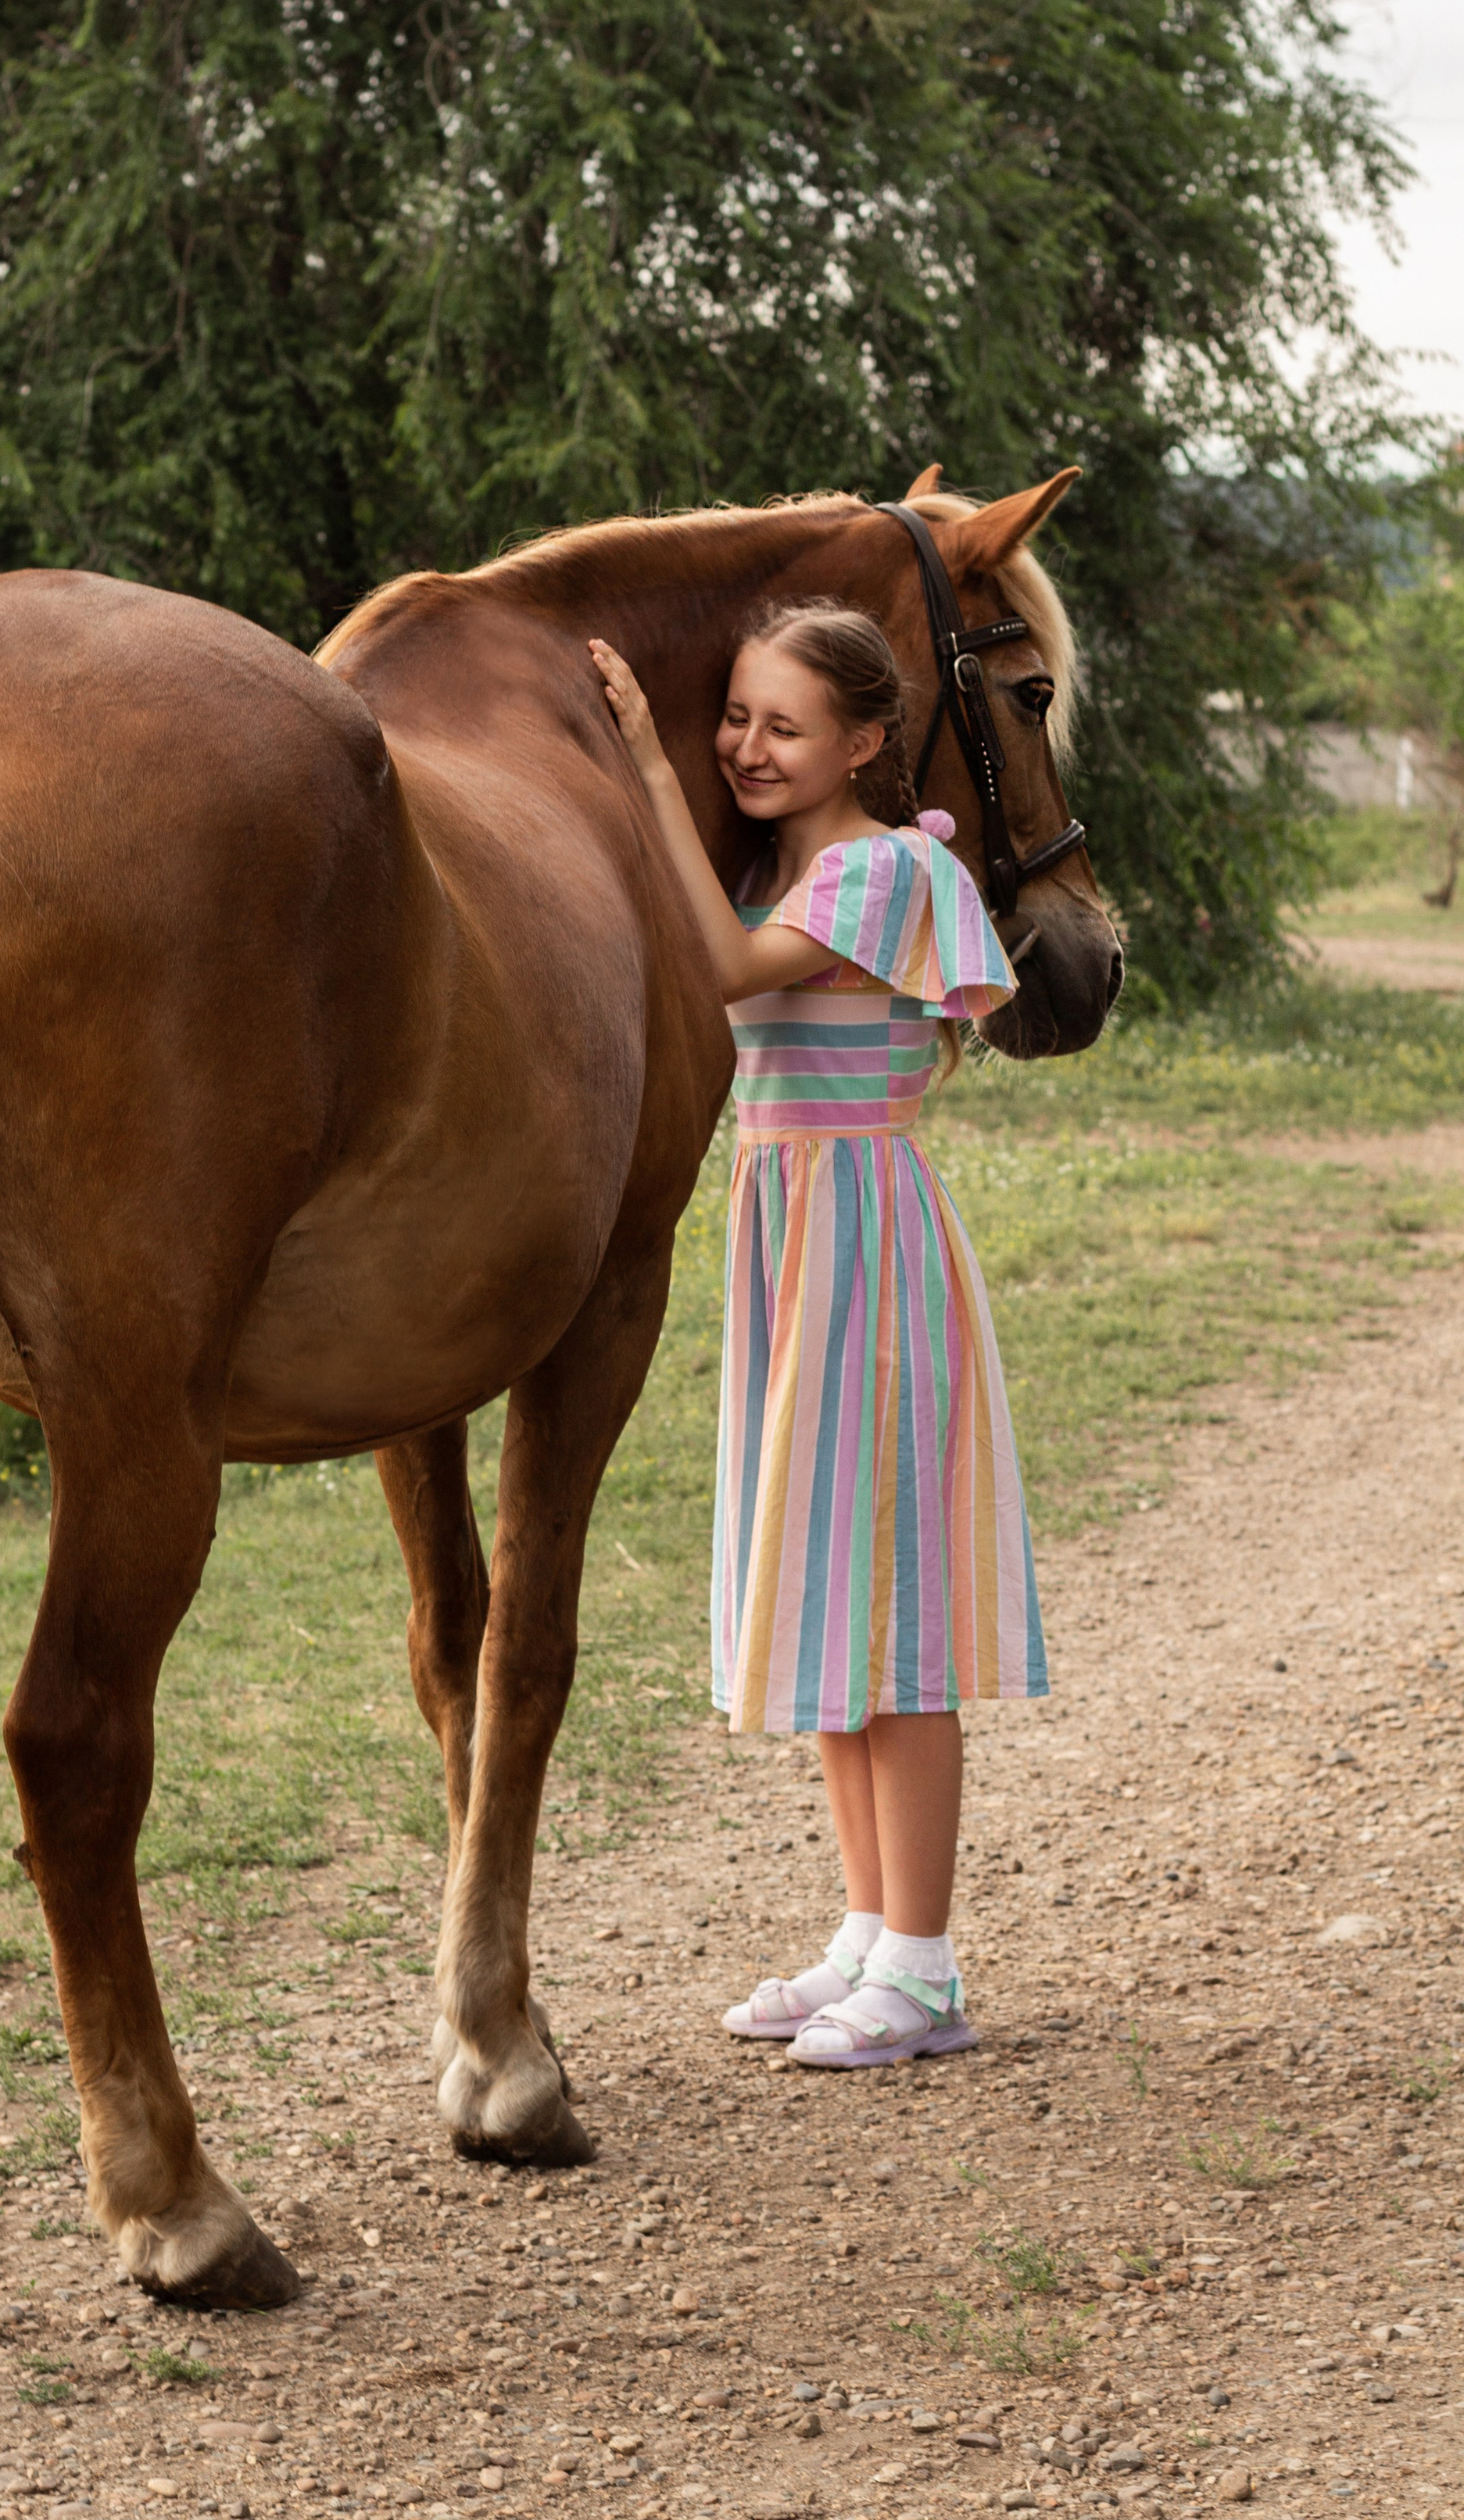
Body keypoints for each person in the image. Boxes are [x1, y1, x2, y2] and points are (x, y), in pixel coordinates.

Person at [589, 603, 1045, 2067]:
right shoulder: (791, 866)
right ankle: (868, 1931)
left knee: (895, 1617)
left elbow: (721, 971)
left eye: (783, 726)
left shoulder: (886, 867)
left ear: (862, 740)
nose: (746, 747)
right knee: (837, 1601)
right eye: (732, 718)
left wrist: (653, 775)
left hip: (868, 1253)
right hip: (797, 1249)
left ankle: (925, 1967)